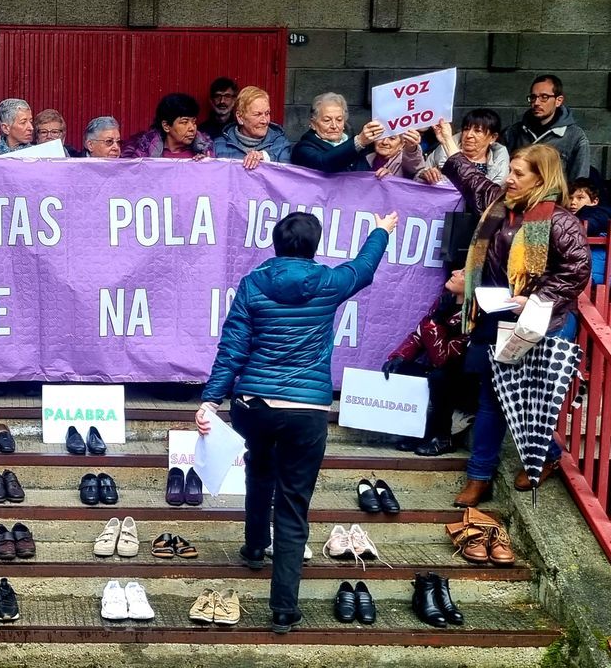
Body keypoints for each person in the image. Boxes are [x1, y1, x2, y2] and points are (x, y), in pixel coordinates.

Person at [197, 209, 397, 635]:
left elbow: (233, 345)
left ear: (275, 243)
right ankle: (284, 609)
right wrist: (380, 231)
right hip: (306, 411)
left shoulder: (253, 284)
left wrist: (211, 400)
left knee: (259, 473)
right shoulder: (327, 283)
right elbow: (362, 268)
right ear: (314, 245)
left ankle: (253, 548)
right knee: (292, 505)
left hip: (253, 404)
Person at [431, 119, 590, 506]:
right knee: (492, 396)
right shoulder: (499, 205)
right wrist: (449, 143)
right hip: (495, 315)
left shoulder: (559, 221)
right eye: (511, 171)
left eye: (519, 173)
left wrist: (535, 300)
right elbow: (469, 178)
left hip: (536, 323)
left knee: (526, 400)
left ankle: (548, 457)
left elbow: (577, 269)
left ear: (541, 179)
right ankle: (479, 477)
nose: (510, 178)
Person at [381, 268, 478, 456]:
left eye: (464, 273)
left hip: (461, 382)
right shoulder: (444, 302)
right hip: (437, 371)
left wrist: (435, 322)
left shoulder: (474, 317)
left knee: (440, 377)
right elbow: (419, 335)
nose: (455, 271)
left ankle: (443, 437)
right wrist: (400, 356)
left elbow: (443, 357)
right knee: (399, 369)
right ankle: (416, 431)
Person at [502, 74, 591, 186]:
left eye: (544, 97)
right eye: (533, 97)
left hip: (554, 201)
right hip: (517, 199)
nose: (536, 103)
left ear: (558, 100)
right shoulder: (513, 132)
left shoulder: (575, 137)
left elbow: (579, 184)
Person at [291, 92, 385, 173]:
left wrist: (380, 174)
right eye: (327, 120)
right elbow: (324, 163)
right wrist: (359, 141)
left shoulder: (356, 146)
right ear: (313, 124)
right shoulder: (303, 149)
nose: (334, 126)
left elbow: (364, 177)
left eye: (339, 120)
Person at [420, 109, 508, 186]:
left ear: (493, 137)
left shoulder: (499, 164)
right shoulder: (440, 153)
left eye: (477, 131)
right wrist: (425, 175)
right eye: (466, 129)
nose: (468, 135)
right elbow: (417, 180)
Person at [213, 86, 293, 169]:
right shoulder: (219, 145)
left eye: (267, 113)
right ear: (240, 117)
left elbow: (286, 177)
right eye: (257, 114)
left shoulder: (281, 144)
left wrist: (266, 157)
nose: (265, 121)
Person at [121, 93, 214, 159]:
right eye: (184, 122)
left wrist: (206, 165)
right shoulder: (144, 154)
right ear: (166, 126)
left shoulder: (203, 154)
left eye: (194, 122)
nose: (192, 128)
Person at [569, 178, 610, 286]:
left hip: (593, 278)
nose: (573, 202)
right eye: (570, 198)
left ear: (594, 201)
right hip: (594, 279)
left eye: (580, 198)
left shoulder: (598, 213)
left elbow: (591, 224)